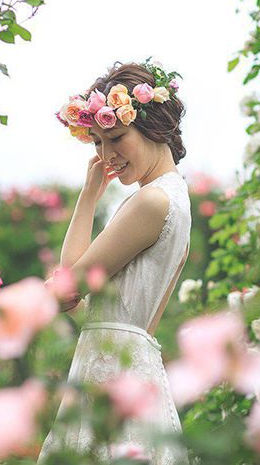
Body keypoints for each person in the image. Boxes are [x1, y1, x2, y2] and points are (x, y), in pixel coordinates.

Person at [37, 60, 191, 464]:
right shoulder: (174, 199)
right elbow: (89, 302)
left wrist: (59, 293)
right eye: (97, 143)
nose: (107, 154)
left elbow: (68, 285)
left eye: (116, 137)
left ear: (155, 128)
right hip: (127, 369)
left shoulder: (151, 201)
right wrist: (90, 194)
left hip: (113, 378)